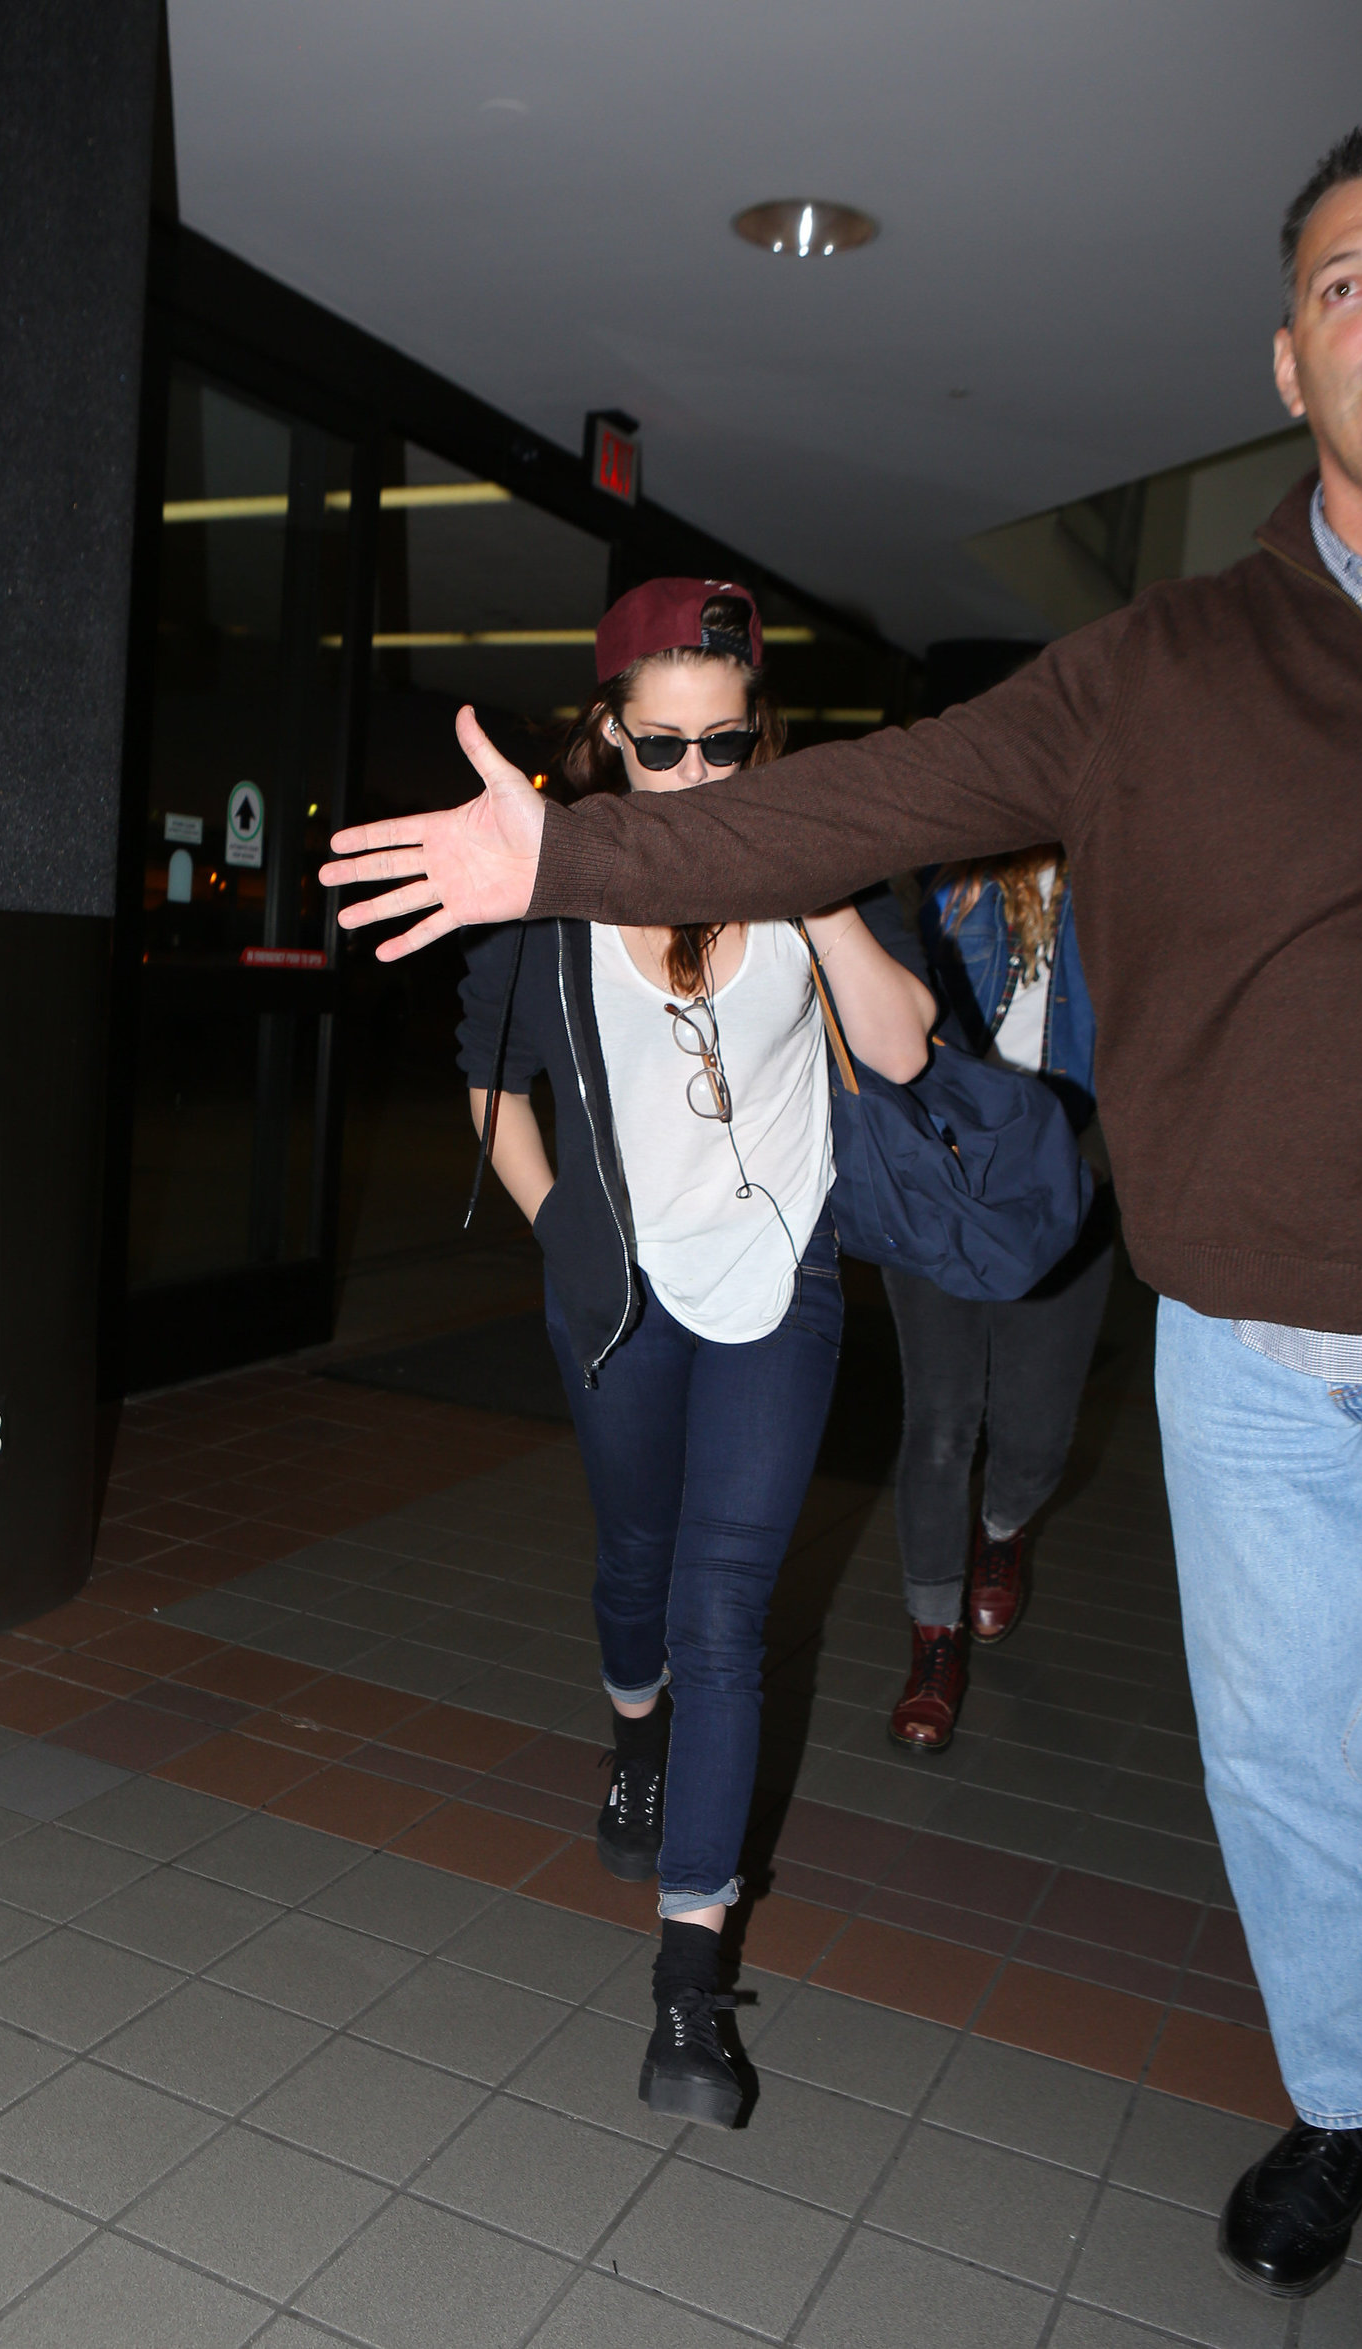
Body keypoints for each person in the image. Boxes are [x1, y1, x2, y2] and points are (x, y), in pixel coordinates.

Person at [324, 117, 1362, 2348]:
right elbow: (549, 1049)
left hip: (1306, 1325)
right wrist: (580, 999)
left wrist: (780, 896)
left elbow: (892, 1019)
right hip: (1050, 1320)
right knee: (1236, 1752)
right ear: (1285, 346)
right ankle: (1339, 2105)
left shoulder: (798, 867)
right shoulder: (1171, 660)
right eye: (1351, 282)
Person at [455, 577, 934, 2129]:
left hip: (779, 1285)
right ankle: (629, 1733)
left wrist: (812, 886)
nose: (695, 780)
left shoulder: (815, 849)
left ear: (761, 735)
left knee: (726, 1611)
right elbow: (490, 1084)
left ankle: (685, 1993)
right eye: (661, 751)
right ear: (608, 735)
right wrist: (564, 1237)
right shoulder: (553, 883)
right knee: (634, 1567)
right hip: (618, 1295)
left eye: (727, 749)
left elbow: (906, 1039)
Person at [877, 848, 1113, 1753]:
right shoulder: (942, 882)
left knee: (1037, 1435)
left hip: (1066, 1176)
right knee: (939, 1421)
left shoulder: (1128, 873)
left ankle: (1004, 1525)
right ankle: (932, 1642)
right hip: (944, 1171)